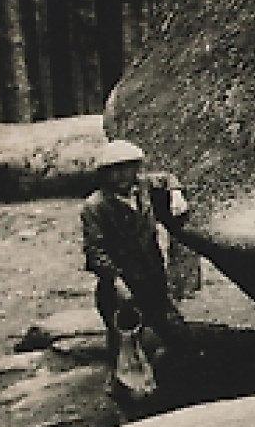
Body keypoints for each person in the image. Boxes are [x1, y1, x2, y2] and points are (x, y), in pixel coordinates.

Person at [81, 139, 194, 396]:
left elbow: (168, 179)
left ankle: (171, 391)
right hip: (119, 288)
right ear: (105, 174)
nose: (122, 175)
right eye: (115, 169)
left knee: (180, 338)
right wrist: (117, 283)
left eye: (127, 167)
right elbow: (95, 251)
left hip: (153, 282)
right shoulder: (95, 206)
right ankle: (123, 405)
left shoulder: (143, 188)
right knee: (124, 348)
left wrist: (176, 196)